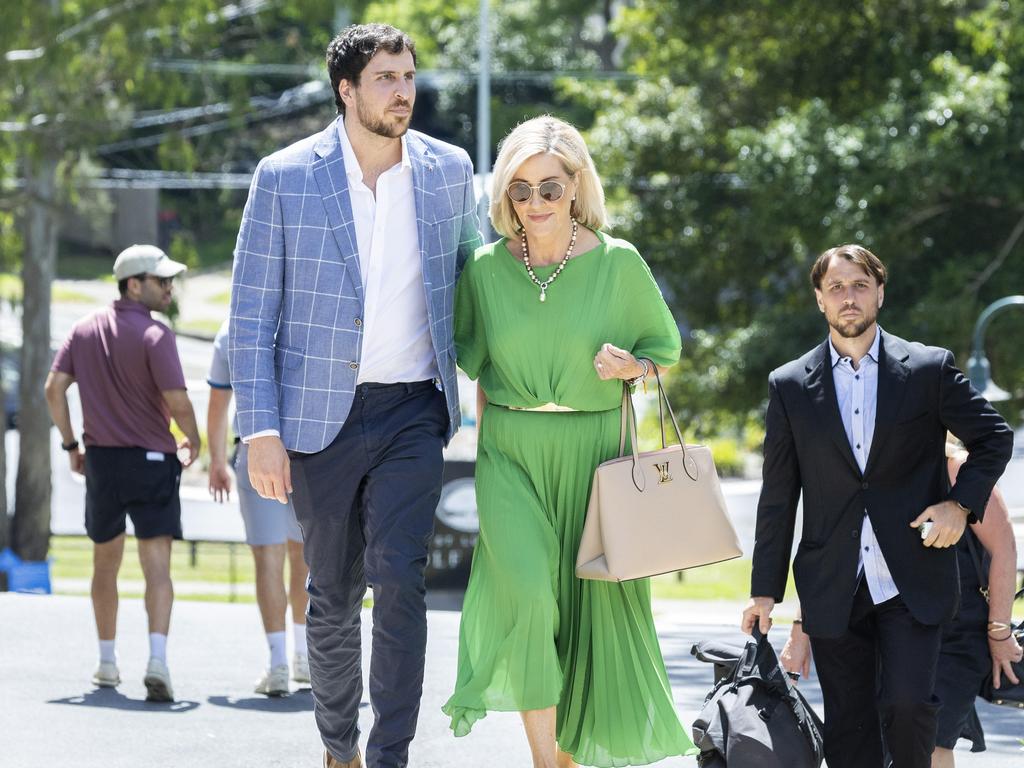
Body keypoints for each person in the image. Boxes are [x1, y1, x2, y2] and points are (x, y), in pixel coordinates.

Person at [228, 23, 481, 768]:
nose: (403, 91)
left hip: (411, 407)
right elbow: (251, 313)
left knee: (399, 581)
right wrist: (260, 430)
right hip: (315, 418)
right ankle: (338, 748)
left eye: (408, 77)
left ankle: (389, 755)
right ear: (347, 90)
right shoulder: (284, 176)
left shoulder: (448, 170)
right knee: (332, 596)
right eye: (386, 78)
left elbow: (474, 287)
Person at [442, 115, 698, 768]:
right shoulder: (483, 269)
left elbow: (663, 348)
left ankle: (570, 754)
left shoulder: (619, 263)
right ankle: (543, 762)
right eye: (520, 190)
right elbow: (459, 353)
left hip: (597, 456)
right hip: (510, 453)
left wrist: (631, 368)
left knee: (589, 611)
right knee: (528, 595)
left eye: (550, 189)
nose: (535, 205)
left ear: (577, 186)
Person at [742, 244, 1014, 768]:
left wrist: (960, 506)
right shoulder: (790, 385)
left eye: (860, 285)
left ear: (880, 293)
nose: (849, 297)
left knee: (909, 706)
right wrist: (764, 590)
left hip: (911, 577)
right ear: (820, 299)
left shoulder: (929, 370)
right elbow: (778, 495)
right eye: (837, 287)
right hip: (833, 581)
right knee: (850, 723)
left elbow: (993, 438)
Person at [778, 440, 1022, 767]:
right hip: (880, 626)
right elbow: (829, 555)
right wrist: (800, 630)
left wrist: (999, 631)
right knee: (880, 744)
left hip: (955, 634)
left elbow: (1003, 547)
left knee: (932, 742)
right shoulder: (859, 470)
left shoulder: (958, 469)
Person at [44, 243, 201, 703]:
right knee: (157, 567)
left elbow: (54, 389)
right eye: (161, 281)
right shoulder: (157, 336)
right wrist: (191, 438)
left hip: (104, 463)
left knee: (104, 564)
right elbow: (177, 401)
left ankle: (107, 662)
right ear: (134, 285)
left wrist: (72, 444)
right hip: (152, 461)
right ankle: (157, 661)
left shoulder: (83, 329)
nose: (169, 288)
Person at [206, 320, 311, 696]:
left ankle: (278, 662)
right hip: (304, 446)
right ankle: (302, 655)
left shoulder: (231, 330)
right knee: (304, 557)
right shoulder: (299, 316)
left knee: (268, 558)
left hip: (255, 447)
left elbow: (219, 401)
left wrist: (216, 460)